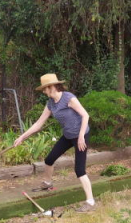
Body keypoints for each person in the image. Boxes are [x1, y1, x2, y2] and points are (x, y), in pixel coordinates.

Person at [14, 73, 96, 213]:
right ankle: (47, 183)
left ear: (51, 87)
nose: (44, 92)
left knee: (79, 169)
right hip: (68, 135)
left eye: (45, 89)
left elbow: (85, 115)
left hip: (80, 136)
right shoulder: (51, 103)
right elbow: (39, 123)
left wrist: (82, 135)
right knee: (49, 159)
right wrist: (22, 137)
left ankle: (90, 201)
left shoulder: (68, 98)